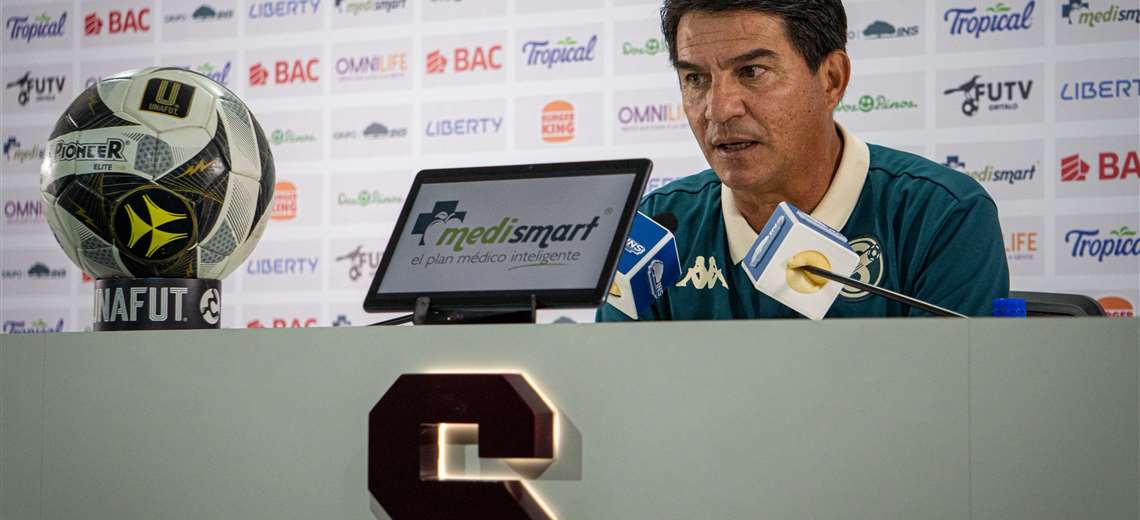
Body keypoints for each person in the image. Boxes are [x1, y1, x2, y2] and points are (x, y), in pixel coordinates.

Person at [597, 0, 1008, 321]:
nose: (718, 109)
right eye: (695, 79)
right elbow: (617, 392)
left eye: (752, 71)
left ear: (832, 79)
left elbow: (952, 396)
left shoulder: (941, 215)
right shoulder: (654, 229)